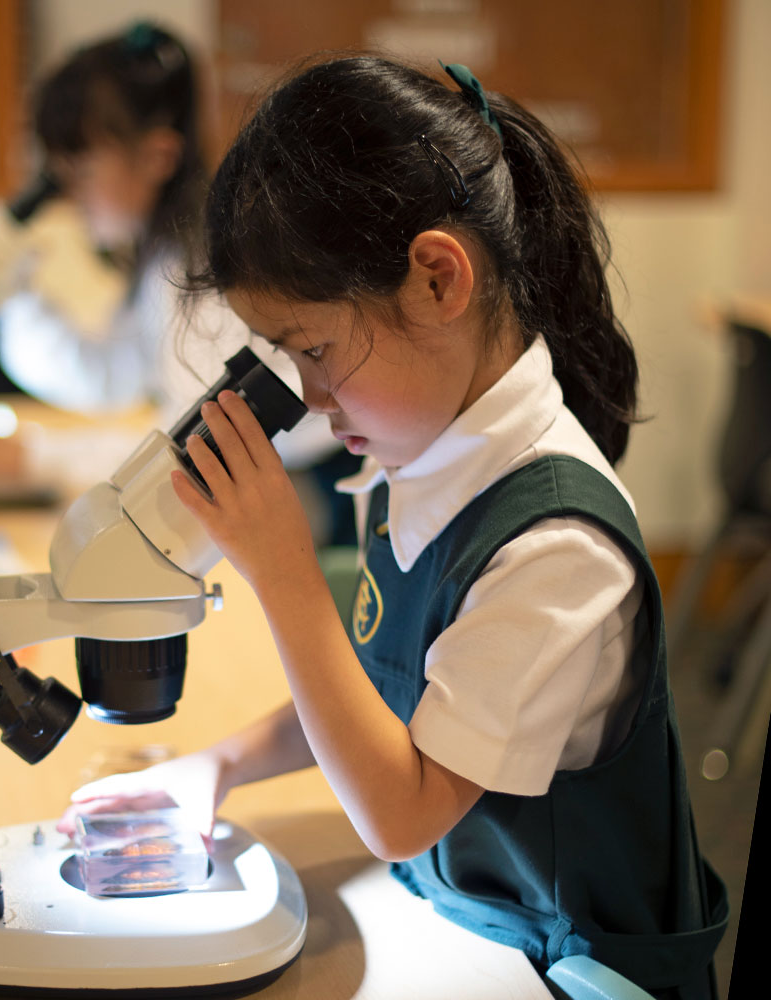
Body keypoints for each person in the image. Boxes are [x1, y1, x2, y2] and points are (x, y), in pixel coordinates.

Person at [56, 55, 728, 997]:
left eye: (317, 349)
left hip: (570, 967)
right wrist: (220, 764)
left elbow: (403, 810)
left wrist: (283, 569)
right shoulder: (423, 451)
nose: (314, 400)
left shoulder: (558, 551)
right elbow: (390, 697)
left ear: (436, 278)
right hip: (458, 918)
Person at [0, 21, 356, 542]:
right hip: (257, 478)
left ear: (158, 156)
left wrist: (40, 456)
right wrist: (14, 295)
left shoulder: (206, 268)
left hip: (310, 495)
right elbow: (117, 372)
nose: (67, 191)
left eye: (81, 168)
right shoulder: (165, 248)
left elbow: (194, 448)